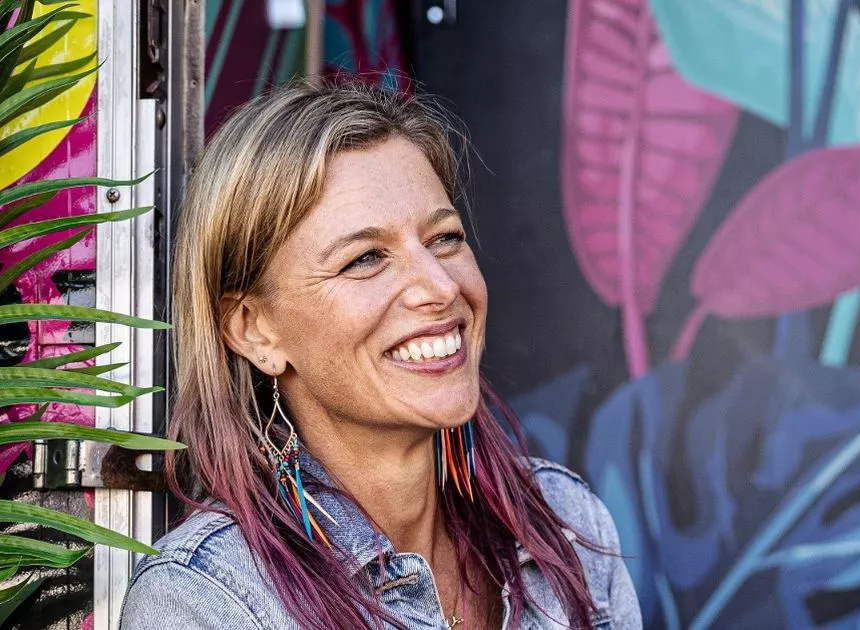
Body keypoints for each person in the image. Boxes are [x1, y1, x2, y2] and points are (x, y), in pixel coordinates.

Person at [118, 80, 640, 630]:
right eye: (366, 258)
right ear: (255, 331)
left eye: (444, 238)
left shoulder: (566, 524)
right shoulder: (209, 599)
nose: (441, 286)